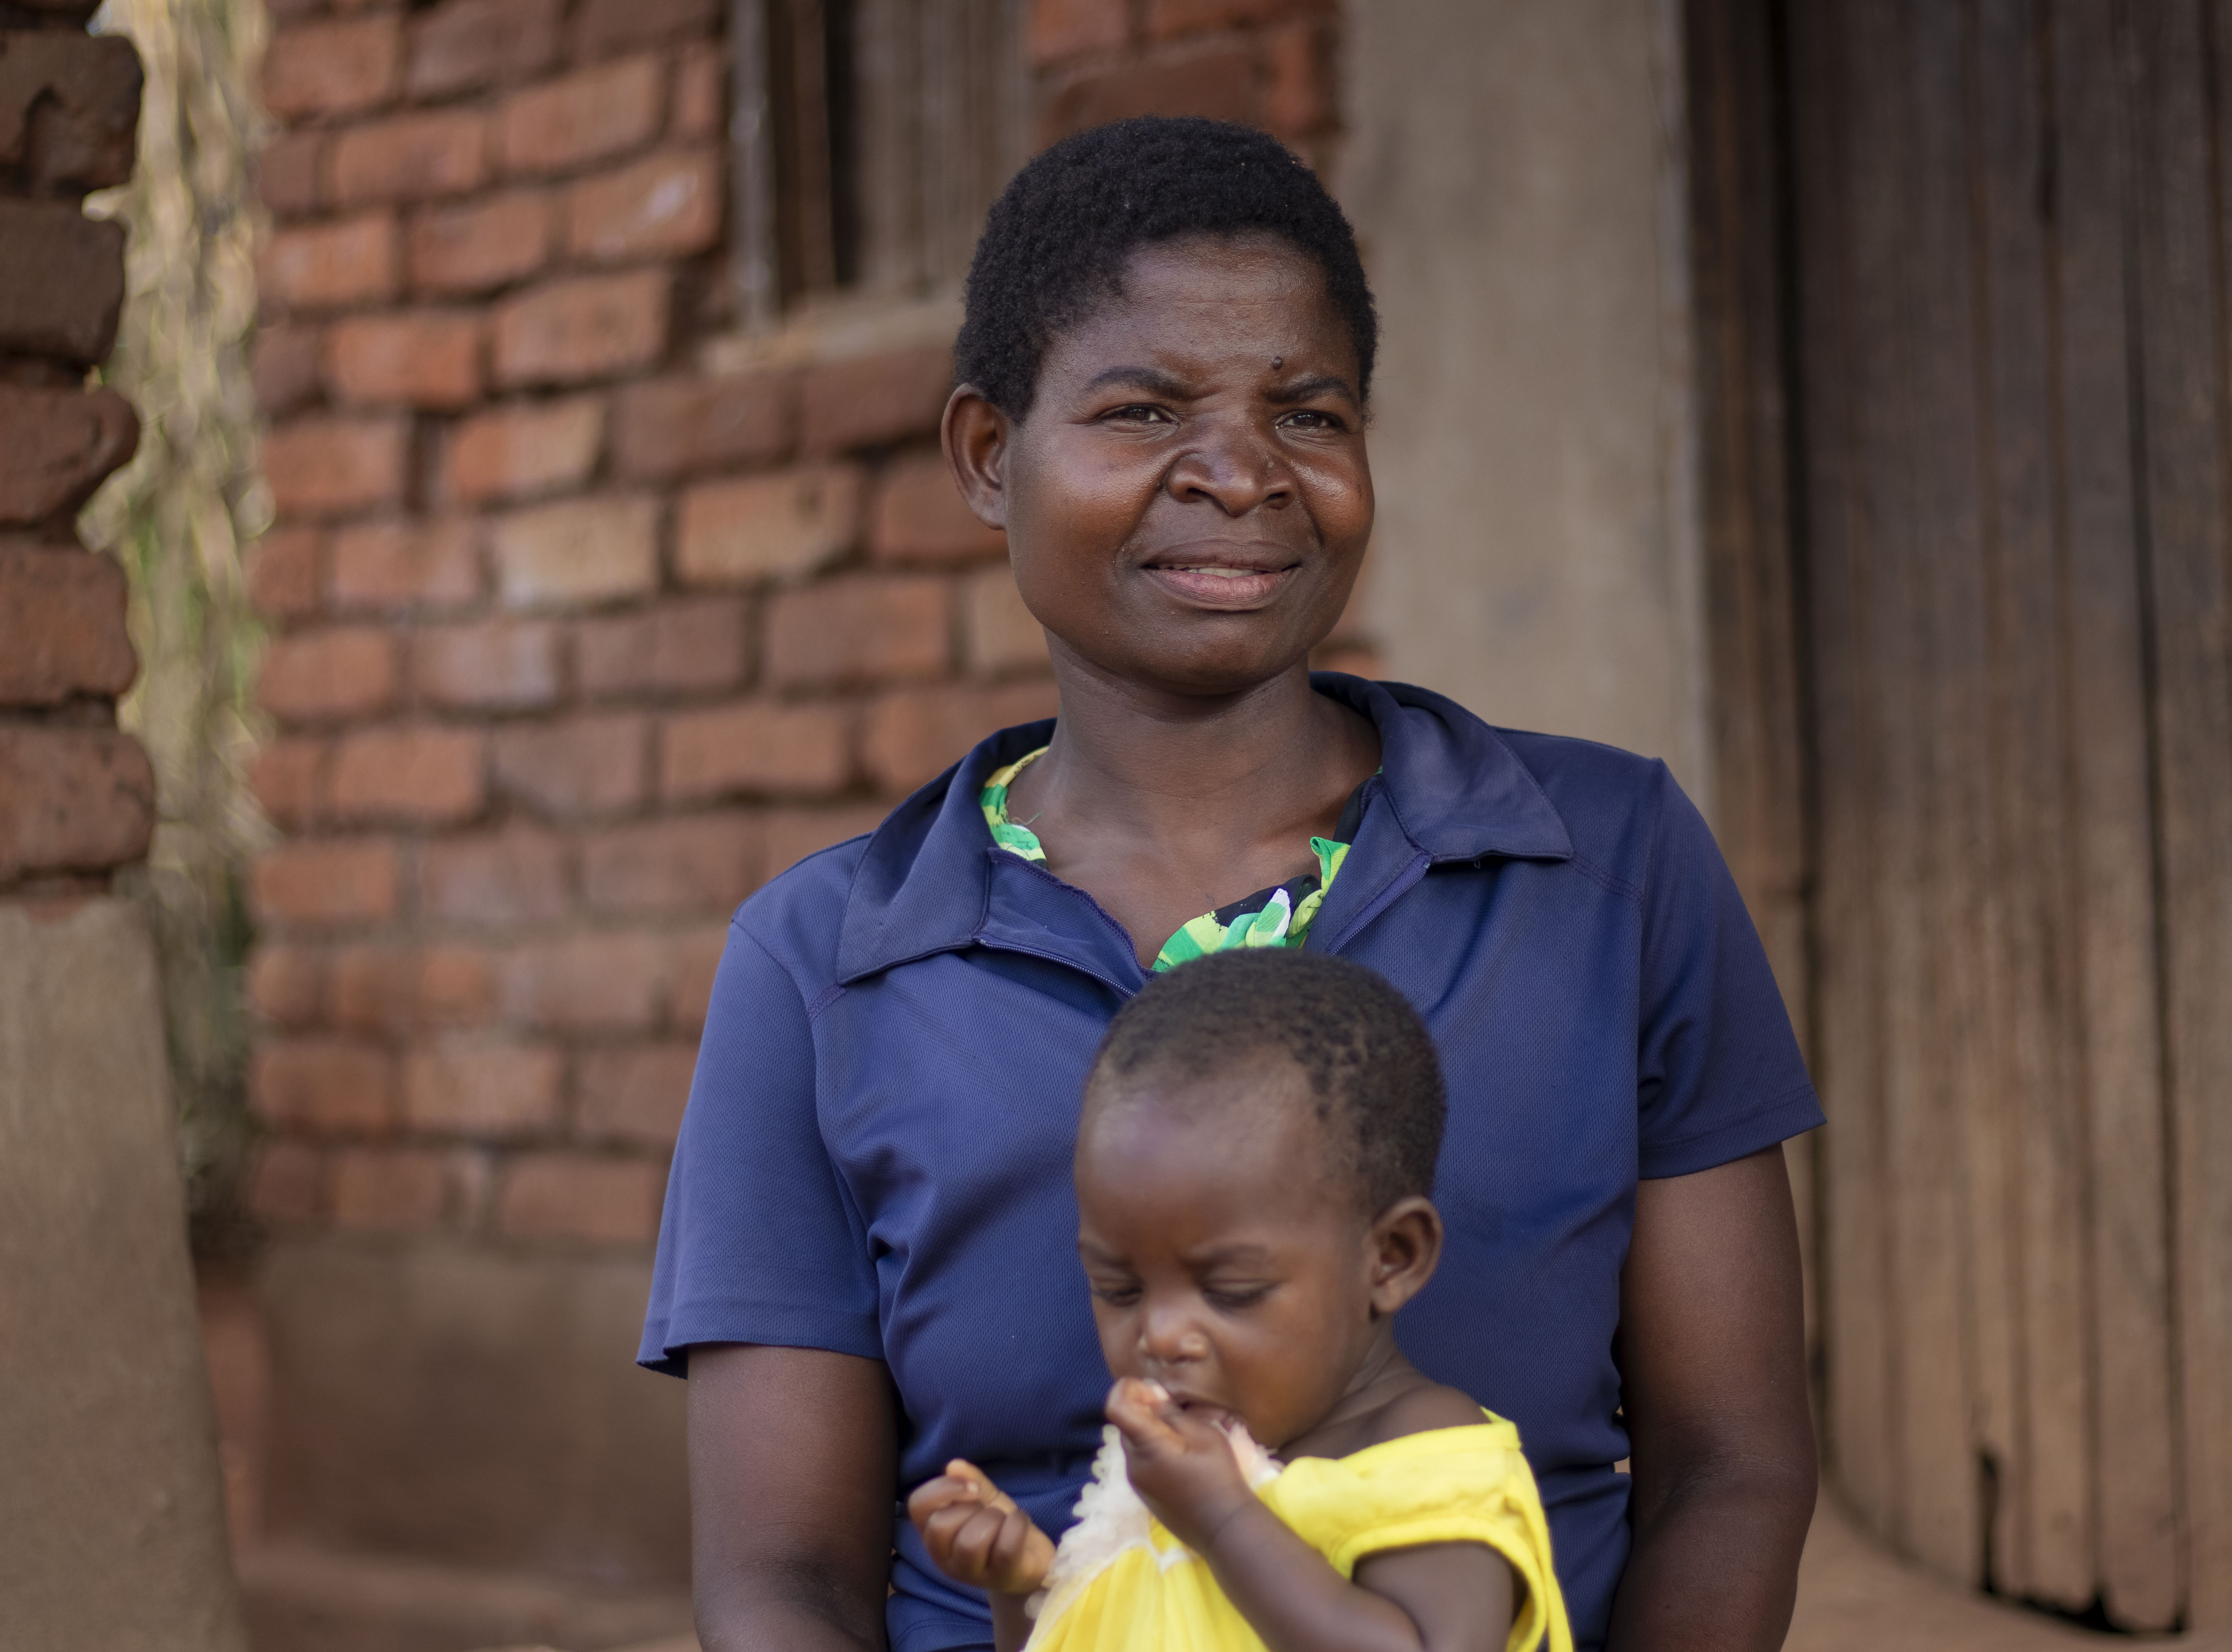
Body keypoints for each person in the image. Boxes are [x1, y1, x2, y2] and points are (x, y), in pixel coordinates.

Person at [643, 116, 1822, 1652]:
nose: (1243, 474)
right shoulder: (825, 962)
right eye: (1144, 411)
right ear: (991, 458)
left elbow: (1731, 1468)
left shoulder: (1604, 862)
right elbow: (783, 1578)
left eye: (1310, 415)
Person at [908, 949, 1572, 1652]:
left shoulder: (1422, 1448)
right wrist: (1025, 1590)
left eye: (1231, 1292)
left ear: (1391, 1258)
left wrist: (1223, 1519)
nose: (1160, 1337)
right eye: (1119, 1290)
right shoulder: (1164, 1490)